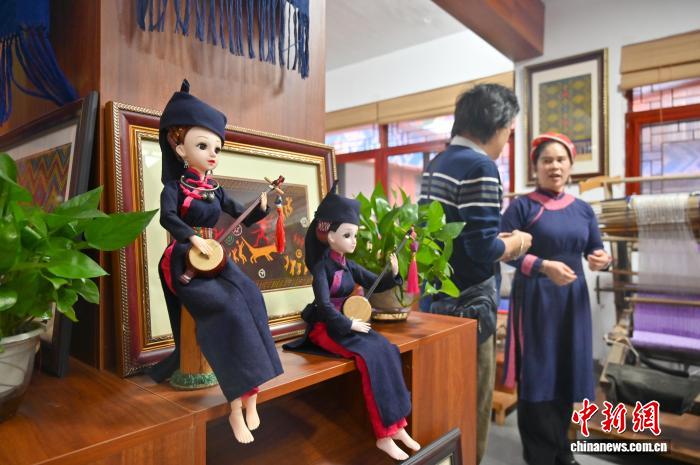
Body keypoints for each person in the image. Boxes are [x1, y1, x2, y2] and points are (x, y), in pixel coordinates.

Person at [149, 80, 283, 444]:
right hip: (183, 259)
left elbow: (241, 214)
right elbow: (168, 218)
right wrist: (191, 238)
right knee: (226, 311)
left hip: (215, 255)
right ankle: (234, 408)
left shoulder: (215, 189)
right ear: (179, 147)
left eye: (216, 148)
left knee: (251, 297)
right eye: (202, 146)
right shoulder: (175, 188)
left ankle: (252, 395)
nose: (212, 154)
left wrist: (263, 207)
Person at [419, 83, 532, 464]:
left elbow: (453, 234)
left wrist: (494, 239)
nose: (506, 140)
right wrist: (516, 243)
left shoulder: (437, 163)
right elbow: (482, 248)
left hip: (436, 301)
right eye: (509, 131)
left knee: (441, 402)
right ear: (496, 126)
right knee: (472, 402)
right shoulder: (481, 167)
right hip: (471, 308)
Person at [284, 184, 421, 461]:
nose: (353, 240)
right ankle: (383, 435)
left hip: (349, 323)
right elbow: (324, 306)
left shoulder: (349, 265)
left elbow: (375, 282)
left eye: (355, 235)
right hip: (327, 328)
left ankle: (398, 426)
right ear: (330, 236)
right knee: (369, 358)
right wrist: (348, 325)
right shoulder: (321, 269)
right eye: (347, 235)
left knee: (387, 349)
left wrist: (394, 273)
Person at [501, 132, 611, 465]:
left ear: (571, 165)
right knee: (538, 373)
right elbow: (502, 250)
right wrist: (542, 266)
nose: (554, 166)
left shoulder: (583, 209)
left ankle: (563, 450)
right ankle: (539, 455)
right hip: (535, 299)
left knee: (566, 372)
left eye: (561, 159)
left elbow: (596, 249)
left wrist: (602, 259)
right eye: (546, 160)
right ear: (535, 167)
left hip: (572, 301)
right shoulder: (522, 207)